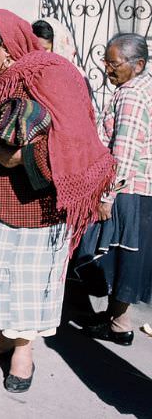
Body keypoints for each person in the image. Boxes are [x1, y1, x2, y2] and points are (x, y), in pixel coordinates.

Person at [0, 9, 114, 393]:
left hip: (40, 205)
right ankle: (2, 337)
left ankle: (23, 351)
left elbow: (77, 141)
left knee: (29, 282)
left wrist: (24, 158)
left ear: (6, 46)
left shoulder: (54, 73)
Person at [78, 33, 152, 346]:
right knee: (125, 256)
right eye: (106, 62)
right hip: (139, 188)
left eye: (113, 63)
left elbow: (123, 150)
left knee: (108, 252)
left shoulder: (132, 94)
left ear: (137, 65)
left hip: (126, 190)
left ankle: (120, 324)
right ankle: (115, 317)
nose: (108, 69)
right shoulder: (142, 87)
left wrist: (107, 195)